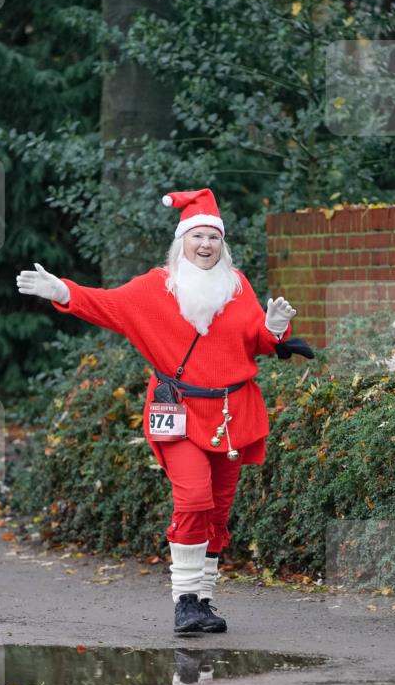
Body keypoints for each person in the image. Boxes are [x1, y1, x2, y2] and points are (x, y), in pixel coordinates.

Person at [16, 188, 300, 636]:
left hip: (232, 412)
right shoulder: (155, 287)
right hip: (179, 410)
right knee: (192, 498)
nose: (205, 245)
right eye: (197, 236)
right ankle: (185, 602)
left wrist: (275, 328)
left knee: (219, 511)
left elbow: (257, 342)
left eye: (213, 238)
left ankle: (204, 601)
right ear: (181, 241)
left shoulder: (237, 284)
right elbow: (107, 305)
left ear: (222, 244)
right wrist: (62, 291)